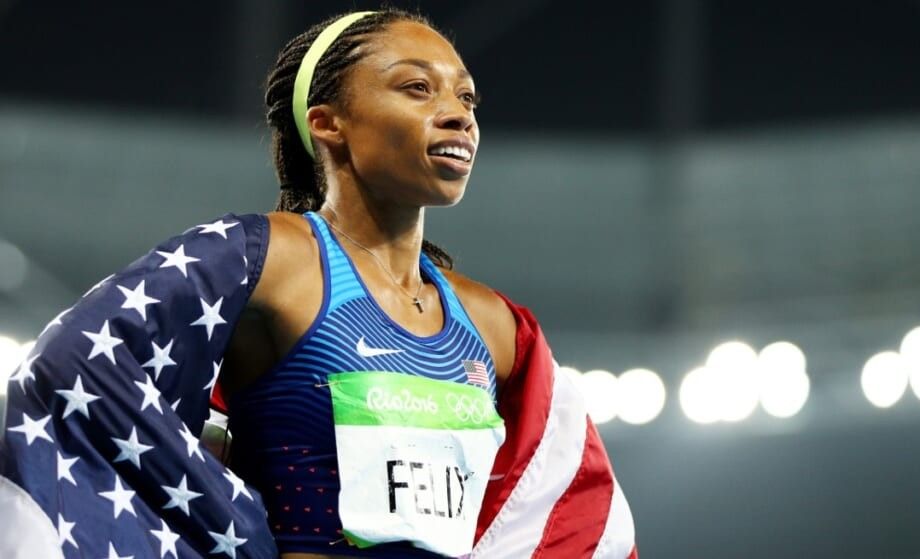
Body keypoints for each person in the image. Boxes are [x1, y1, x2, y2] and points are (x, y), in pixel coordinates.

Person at [1, 8, 636, 558]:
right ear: (328, 123)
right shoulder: (271, 259)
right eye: (418, 88)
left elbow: (553, 507)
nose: (457, 117)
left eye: (467, 99)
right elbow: (74, 368)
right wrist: (231, 527)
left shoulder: (494, 325)